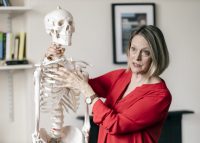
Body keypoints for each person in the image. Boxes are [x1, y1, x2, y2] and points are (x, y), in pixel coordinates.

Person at [50, 25, 172, 143]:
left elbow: (115, 124)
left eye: (145, 52)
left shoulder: (159, 96)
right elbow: (84, 83)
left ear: (156, 55)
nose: (136, 57)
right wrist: (55, 59)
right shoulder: (121, 76)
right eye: (133, 49)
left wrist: (86, 90)